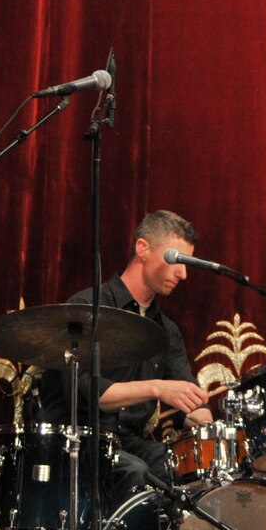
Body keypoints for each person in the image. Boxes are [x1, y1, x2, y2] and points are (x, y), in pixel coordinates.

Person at [35, 210, 212, 498]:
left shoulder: (166, 330)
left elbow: (186, 398)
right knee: (136, 473)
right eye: (176, 260)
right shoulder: (86, 309)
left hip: (128, 443)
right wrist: (157, 388)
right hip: (76, 443)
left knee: (181, 468)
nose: (183, 274)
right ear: (143, 249)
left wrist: (207, 423)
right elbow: (85, 391)